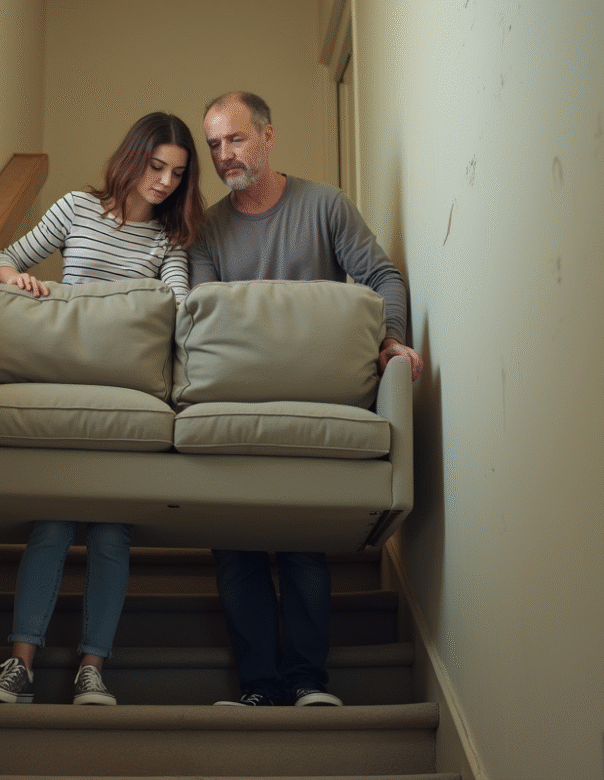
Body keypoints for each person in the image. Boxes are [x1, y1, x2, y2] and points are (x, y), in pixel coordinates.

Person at [190, 91, 423, 708]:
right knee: (236, 546)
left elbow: (383, 276)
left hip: (313, 406)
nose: (223, 155)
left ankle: (308, 683)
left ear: (267, 138)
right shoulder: (207, 231)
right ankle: (260, 688)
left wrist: (392, 341)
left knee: (300, 544)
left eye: (235, 139)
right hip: (234, 408)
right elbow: (204, 320)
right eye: (213, 144)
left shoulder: (325, 206)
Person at [0, 112, 205, 706]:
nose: (163, 182)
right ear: (132, 158)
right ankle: (19, 663)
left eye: (176, 174)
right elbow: (2, 258)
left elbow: (181, 309)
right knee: (52, 523)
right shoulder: (77, 209)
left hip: (128, 394)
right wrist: (18, 280)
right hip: (68, 384)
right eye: (156, 167)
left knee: (109, 533)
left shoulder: (168, 241)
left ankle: (92, 669)